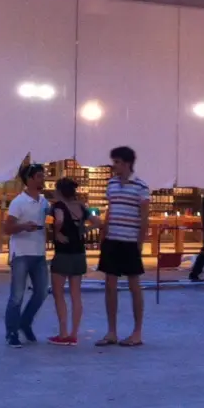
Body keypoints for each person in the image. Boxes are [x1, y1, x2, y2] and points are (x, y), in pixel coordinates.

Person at [96, 146, 150, 348]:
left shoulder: (141, 187)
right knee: (110, 286)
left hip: (130, 242)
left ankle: (137, 332)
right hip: (112, 240)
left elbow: (144, 218)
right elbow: (110, 211)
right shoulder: (110, 184)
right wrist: (104, 235)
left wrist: (140, 243)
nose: (114, 165)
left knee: (134, 286)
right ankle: (111, 332)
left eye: (117, 162)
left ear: (127, 163)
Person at [3, 163, 51, 348]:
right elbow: (7, 228)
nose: (42, 179)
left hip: (38, 253)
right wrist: (23, 226)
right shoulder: (18, 202)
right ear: (30, 179)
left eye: (42, 176)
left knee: (41, 292)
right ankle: (11, 331)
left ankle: (25, 322)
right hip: (22, 253)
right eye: (39, 176)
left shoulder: (43, 201)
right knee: (17, 295)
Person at [49, 177, 96, 346]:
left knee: (59, 293)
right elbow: (98, 222)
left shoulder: (58, 207)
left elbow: (60, 220)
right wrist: (83, 230)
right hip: (79, 253)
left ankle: (63, 333)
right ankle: (74, 334)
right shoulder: (81, 207)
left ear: (60, 191)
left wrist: (57, 233)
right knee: (76, 295)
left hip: (63, 254)